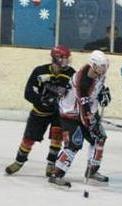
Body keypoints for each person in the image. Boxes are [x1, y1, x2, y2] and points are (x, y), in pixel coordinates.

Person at [5, 45, 75, 177]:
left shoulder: (71, 73)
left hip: (58, 113)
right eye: (64, 58)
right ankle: (19, 162)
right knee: (29, 138)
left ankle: (51, 164)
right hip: (39, 111)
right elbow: (28, 92)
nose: (67, 61)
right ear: (56, 58)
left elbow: (75, 92)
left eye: (67, 58)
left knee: (57, 137)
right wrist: (42, 100)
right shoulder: (40, 71)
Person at [49, 50, 111, 187]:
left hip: (87, 112)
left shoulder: (99, 73)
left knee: (100, 138)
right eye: (102, 66)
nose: (104, 69)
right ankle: (56, 174)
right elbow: (83, 107)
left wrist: (104, 94)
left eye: (105, 65)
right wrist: (91, 122)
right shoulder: (82, 81)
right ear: (93, 65)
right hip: (71, 115)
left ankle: (92, 171)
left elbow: (98, 89)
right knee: (74, 144)